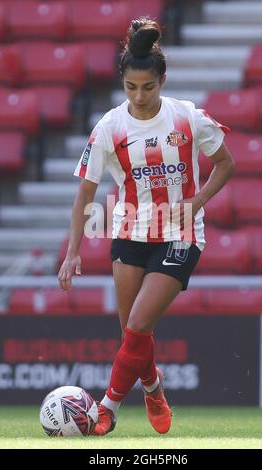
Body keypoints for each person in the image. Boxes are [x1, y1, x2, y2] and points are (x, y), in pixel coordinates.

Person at [58, 17, 235, 436]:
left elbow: (226, 163)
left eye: (148, 87)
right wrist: (73, 251)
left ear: (163, 80)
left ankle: (107, 407)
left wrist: (198, 203)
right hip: (129, 232)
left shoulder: (188, 118)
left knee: (137, 324)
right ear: (122, 83)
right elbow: (84, 195)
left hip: (181, 233)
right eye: (131, 87)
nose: (139, 96)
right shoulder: (110, 127)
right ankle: (153, 387)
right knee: (131, 333)